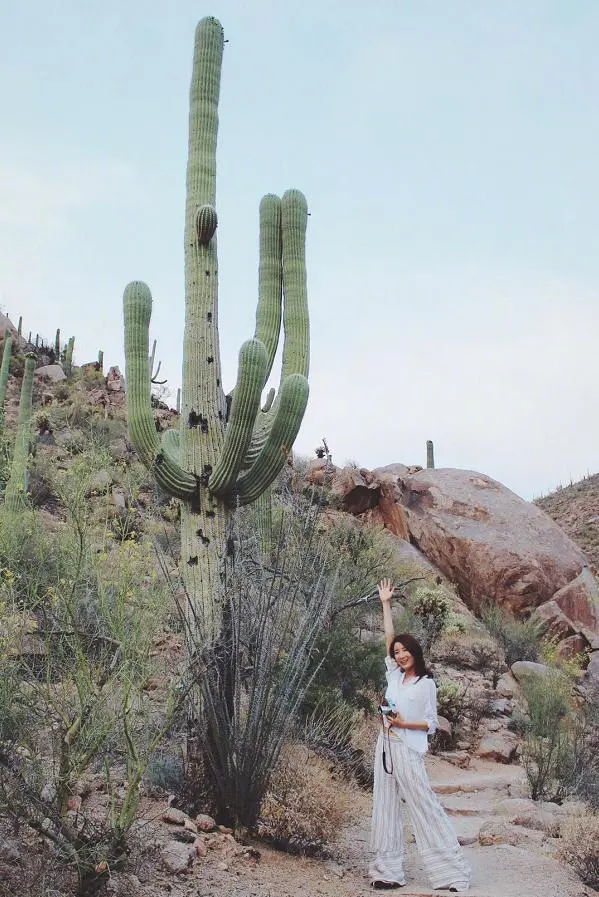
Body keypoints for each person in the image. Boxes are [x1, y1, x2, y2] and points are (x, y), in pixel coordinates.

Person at [369, 578, 470, 892]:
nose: (400, 655)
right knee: (385, 805)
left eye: (404, 650)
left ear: (415, 652)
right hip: (385, 747)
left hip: (407, 748)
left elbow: (430, 723)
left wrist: (401, 724)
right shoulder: (394, 675)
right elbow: (389, 638)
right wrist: (385, 604)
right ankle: (387, 871)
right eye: (396, 652)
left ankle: (452, 874)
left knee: (423, 804)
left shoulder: (426, 684)